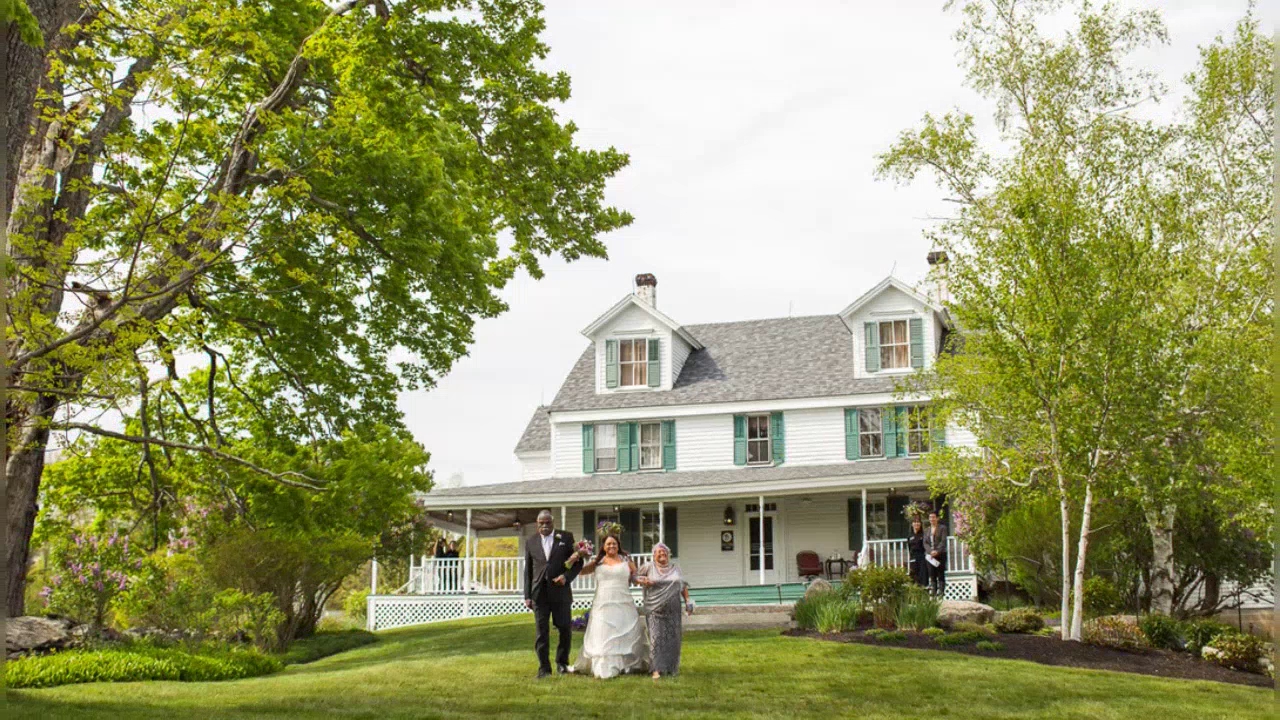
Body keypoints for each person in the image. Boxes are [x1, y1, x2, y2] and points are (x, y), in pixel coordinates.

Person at [573, 531, 648, 679]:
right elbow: (580, 571)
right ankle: (603, 666)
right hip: (603, 603)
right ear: (603, 547)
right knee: (603, 632)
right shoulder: (598, 562)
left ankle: (627, 665)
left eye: (614, 543)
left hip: (623, 601)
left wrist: (641, 580)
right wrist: (578, 555)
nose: (611, 546)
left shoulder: (626, 560)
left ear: (618, 545)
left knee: (624, 629)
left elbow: (634, 576)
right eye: (608, 544)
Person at [522, 509, 586, 678]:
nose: (544, 526)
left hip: (560, 592)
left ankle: (562, 663)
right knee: (541, 632)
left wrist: (566, 577)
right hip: (539, 594)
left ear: (553, 523)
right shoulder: (531, 542)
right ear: (537, 524)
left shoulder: (565, 537)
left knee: (564, 629)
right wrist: (527, 596)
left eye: (547, 522)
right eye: (541, 523)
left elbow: (578, 563)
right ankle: (544, 668)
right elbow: (528, 570)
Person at [634, 542, 690, 679]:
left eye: (664, 551)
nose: (662, 553)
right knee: (656, 638)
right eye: (659, 552)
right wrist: (643, 581)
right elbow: (634, 577)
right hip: (655, 609)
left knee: (673, 639)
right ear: (654, 555)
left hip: (673, 609)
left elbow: (682, 585)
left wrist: (688, 601)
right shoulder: (648, 567)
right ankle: (656, 669)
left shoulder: (675, 568)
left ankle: (671, 668)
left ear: (668, 554)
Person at [924, 510, 948, 598]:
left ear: (937, 518)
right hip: (930, 556)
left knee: (940, 574)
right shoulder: (927, 530)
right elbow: (925, 543)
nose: (932, 519)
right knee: (932, 574)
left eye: (933, 517)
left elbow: (943, 541)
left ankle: (941, 593)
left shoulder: (942, 528)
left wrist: (937, 551)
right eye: (930, 517)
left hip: (940, 554)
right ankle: (933, 593)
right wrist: (930, 551)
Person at [906, 518, 928, 588]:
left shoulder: (924, 535)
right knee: (914, 575)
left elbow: (926, 546)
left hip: (922, 557)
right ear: (912, 524)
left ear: (921, 524)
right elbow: (909, 548)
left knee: (923, 575)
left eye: (918, 522)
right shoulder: (910, 536)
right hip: (913, 558)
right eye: (915, 522)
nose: (916, 524)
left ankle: (924, 590)